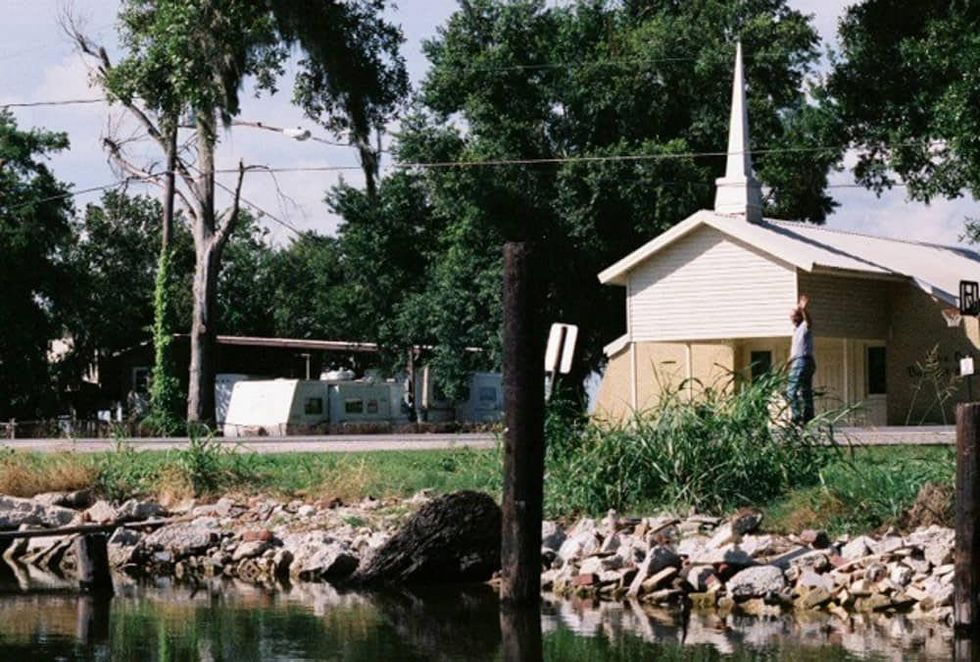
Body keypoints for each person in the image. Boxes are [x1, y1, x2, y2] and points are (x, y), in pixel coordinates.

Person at [786, 294, 815, 424]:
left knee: (790, 391)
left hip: (802, 361)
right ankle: (809, 417)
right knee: (805, 391)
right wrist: (786, 366)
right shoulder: (795, 331)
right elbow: (794, 352)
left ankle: (797, 416)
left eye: (794, 316)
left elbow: (809, 322)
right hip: (802, 361)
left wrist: (803, 309)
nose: (792, 319)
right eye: (791, 317)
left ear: (799, 316)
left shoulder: (804, 327)